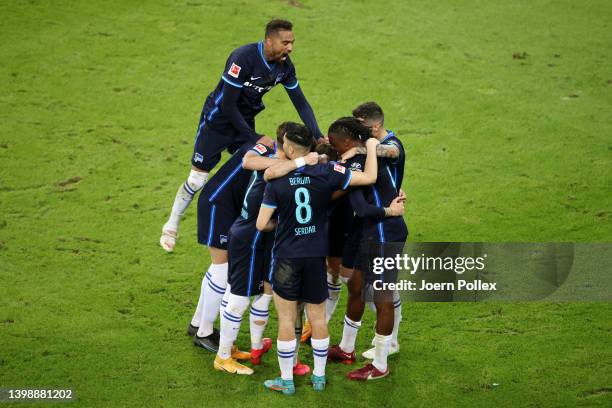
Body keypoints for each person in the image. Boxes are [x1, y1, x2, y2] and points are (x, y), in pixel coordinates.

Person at [160, 19, 324, 252]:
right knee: (197, 180)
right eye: (285, 42)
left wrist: (317, 135)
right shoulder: (243, 58)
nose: (290, 48)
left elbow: (300, 102)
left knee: (251, 170)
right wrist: (253, 136)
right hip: (217, 122)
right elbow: (227, 104)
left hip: (245, 122)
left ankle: (244, 224)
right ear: (269, 41)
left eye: (292, 42)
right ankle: (172, 224)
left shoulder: (285, 67)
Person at [256, 122, 379, 395]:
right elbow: (369, 177)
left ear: (289, 148)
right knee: (319, 318)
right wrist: (370, 147)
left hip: (287, 257)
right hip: (315, 257)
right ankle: (319, 379)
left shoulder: (276, 180)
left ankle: (286, 381)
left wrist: (283, 224)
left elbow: (261, 224)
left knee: (287, 320)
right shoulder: (328, 172)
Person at [213, 122, 318, 375]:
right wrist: (304, 163)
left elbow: (251, 161)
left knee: (258, 291)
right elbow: (256, 165)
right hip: (250, 236)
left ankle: (243, 347)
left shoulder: (271, 158)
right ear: (292, 150)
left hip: (253, 234)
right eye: (302, 153)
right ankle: (222, 357)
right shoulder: (278, 167)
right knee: (239, 296)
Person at [326, 117, 408, 381]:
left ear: (348, 141)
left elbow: (361, 208)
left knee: (381, 297)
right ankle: (347, 348)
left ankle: (381, 364)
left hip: (385, 232)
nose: (331, 144)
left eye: (334, 141)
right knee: (357, 286)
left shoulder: (358, 163)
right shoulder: (362, 156)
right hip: (370, 230)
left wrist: (390, 208)